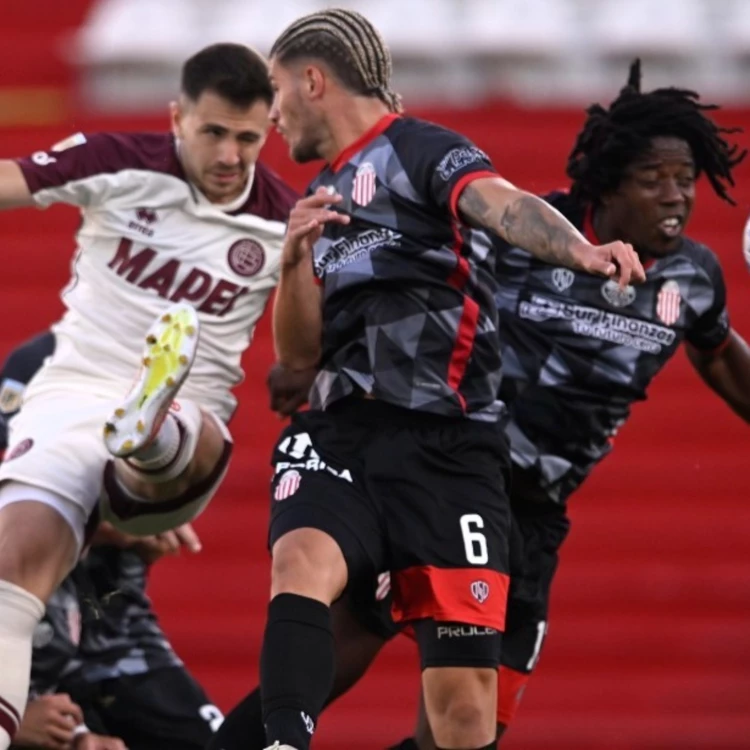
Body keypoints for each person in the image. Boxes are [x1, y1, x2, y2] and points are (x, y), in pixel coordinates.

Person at [209, 58, 749, 750]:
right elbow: (422, 274)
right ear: (607, 185)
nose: (676, 196)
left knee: (468, 732)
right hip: (456, 474)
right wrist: (324, 356)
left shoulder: (694, 278)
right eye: (654, 181)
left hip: (536, 517)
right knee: (327, 667)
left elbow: (721, 356)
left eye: (685, 180)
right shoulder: (535, 235)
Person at [257, 8, 643, 750]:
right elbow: (299, 360)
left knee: (462, 711)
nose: (273, 114)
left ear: (312, 80)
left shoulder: (418, 148)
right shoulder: (322, 196)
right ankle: (282, 741)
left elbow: (504, 205)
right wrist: (290, 264)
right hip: (342, 433)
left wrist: (580, 253)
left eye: (276, 91)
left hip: (448, 449)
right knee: (299, 558)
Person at [0, 42, 297, 750]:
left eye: (249, 139)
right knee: (13, 566)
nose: (231, 155)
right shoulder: (121, 161)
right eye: (214, 133)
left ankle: (148, 426)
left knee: (174, 437)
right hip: (73, 393)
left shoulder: (287, 224)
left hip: (190, 416)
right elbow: (13, 178)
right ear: (177, 118)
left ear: (270, 131)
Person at [0, 332, 222, 750]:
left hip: (103, 647)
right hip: (35, 673)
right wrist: (24, 725)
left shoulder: (127, 444)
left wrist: (139, 525)